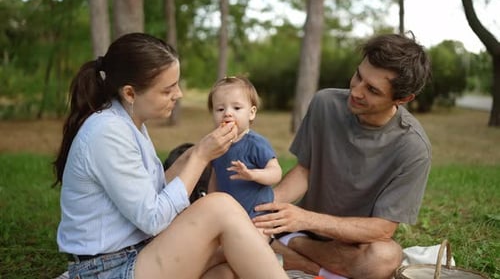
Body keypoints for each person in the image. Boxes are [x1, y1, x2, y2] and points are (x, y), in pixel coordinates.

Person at [53, 32, 288, 279]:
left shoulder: (129, 123)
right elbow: (153, 218)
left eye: (177, 84)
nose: (178, 94)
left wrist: (195, 155)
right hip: (109, 269)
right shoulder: (107, 132)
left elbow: (152, 191)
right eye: (168, 90)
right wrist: (199, 156)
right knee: (219, 207)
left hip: (136, 253)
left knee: (229, 266)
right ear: (130, 93)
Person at [252, 33, 432, 279]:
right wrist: (265, 208)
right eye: (358, 76)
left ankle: (291, 249)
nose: (356, 91)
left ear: (402, 99)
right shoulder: (325, 103)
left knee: (385, 259)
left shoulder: (413, 148)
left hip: (355, 243)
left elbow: (381, 230)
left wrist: (304, 221)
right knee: (248, 229)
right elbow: (305, 170)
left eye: (372, 90)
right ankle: (318, 267)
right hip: (308, 231)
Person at [207, 76, 282, 222]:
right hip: (228, 217)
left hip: (257, 215)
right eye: (220, 109)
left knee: (254, 243)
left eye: (236, 108)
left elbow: (276, 173)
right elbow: (215, 177)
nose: (227, 113)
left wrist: (252, 175)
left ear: (251, 113)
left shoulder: (255, 144)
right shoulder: (217, 145)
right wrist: (210, 202)